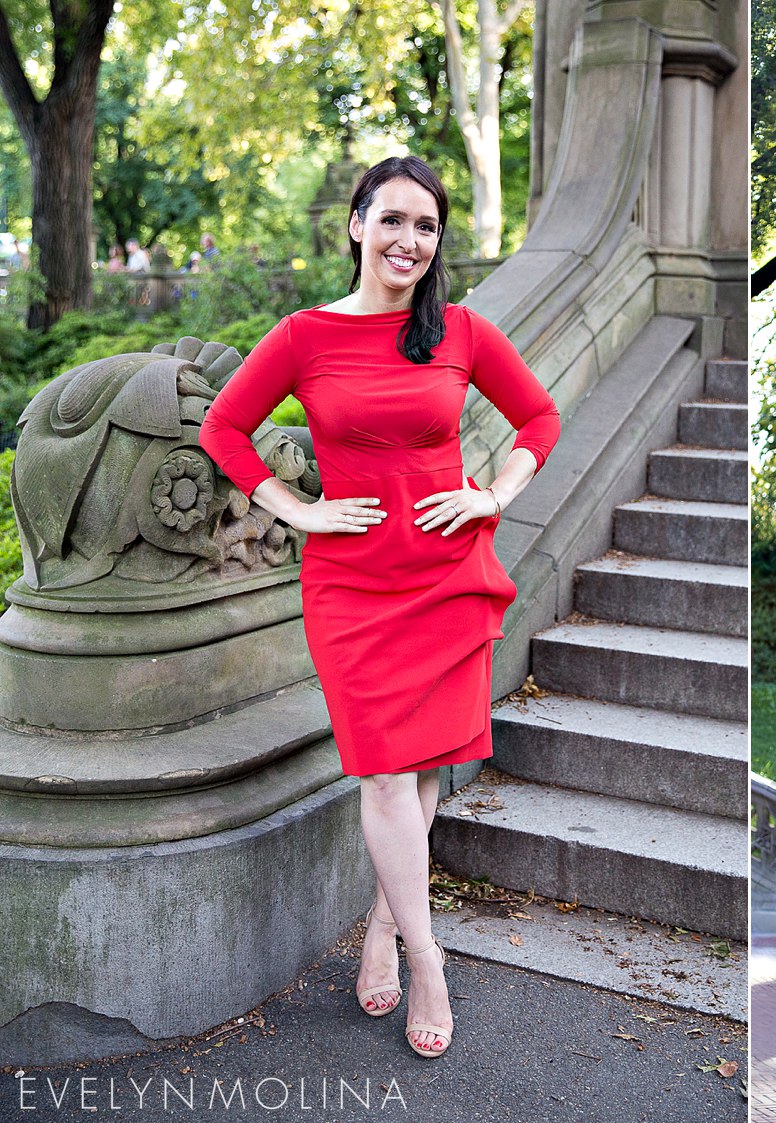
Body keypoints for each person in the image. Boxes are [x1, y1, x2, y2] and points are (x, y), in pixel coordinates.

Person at [199, 155, 560, 1059]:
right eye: (393, 220)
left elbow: (540, 420)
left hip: (447, 575)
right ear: (357, 225)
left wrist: (495, 495)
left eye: (427, 227)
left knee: (424, 763)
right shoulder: (304, 337)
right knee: (385, 771)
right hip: (352, 587)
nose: (409, 240)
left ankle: (384, 924)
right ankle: (430, 957)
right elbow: (222, 428)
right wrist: (299, 508)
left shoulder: (463, 332)